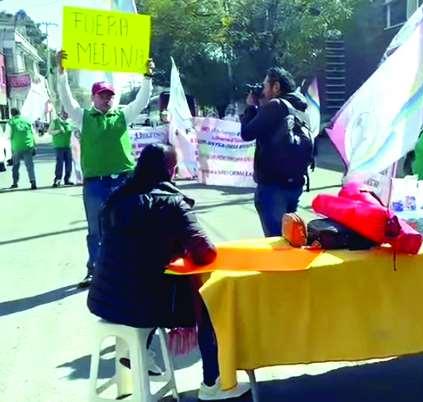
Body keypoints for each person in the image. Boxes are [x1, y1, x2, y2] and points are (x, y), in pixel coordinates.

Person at [87, 144, 250, 399]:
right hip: (140, 306)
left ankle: (140, 353)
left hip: (103, 301)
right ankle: (213, 383)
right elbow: (205, 252)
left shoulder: (116, 198)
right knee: (209, 304)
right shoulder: (171, 202)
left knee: (143, 282)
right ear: (170, 170)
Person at [56, 50, 154, 288]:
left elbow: (142, 101)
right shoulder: (82, 117)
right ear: (93, 98)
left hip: (124, 181)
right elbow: (67, 100)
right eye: (102, 95)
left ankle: (130, 269)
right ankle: (95, 271)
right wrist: (61, 72)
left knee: (128, 225)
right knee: (96, 230)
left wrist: (148, 76)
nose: (107, 99)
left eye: (109, 95)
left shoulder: (122, 115)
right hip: (95, 183)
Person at [241, 67, 312, 237]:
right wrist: (261, 105)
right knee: (290, 236)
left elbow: (247, 133)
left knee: (276, 241)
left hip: (273, 187)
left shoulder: (275, 105)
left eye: (265, 86)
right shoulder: (299, 108)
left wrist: (250, 107)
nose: (263, 90)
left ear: (276, 87)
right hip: (295, 184)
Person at [8, 108, 37, 190]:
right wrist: (34, 146)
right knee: (30, 166)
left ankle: (15, 183)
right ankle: (33, 181)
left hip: (16, 147)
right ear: (19, 113)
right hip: (28, 146)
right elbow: (33, 134)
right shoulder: (27, 121)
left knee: (15, 166)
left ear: (12, 114)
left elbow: (8, 136)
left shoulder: (11, 122)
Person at [50, 110, 75, 187]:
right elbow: (50, 131)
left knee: (69, 164)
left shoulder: (70, 122)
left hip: (67, 146)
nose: (65, 115)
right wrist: (58, 131)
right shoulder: (55, 122)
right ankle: (57, 180)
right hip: (58, 146)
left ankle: (67, 179)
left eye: (67, 114)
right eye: (64, 114)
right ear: (60, 114)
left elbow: (74, 131)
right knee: (59, 164)